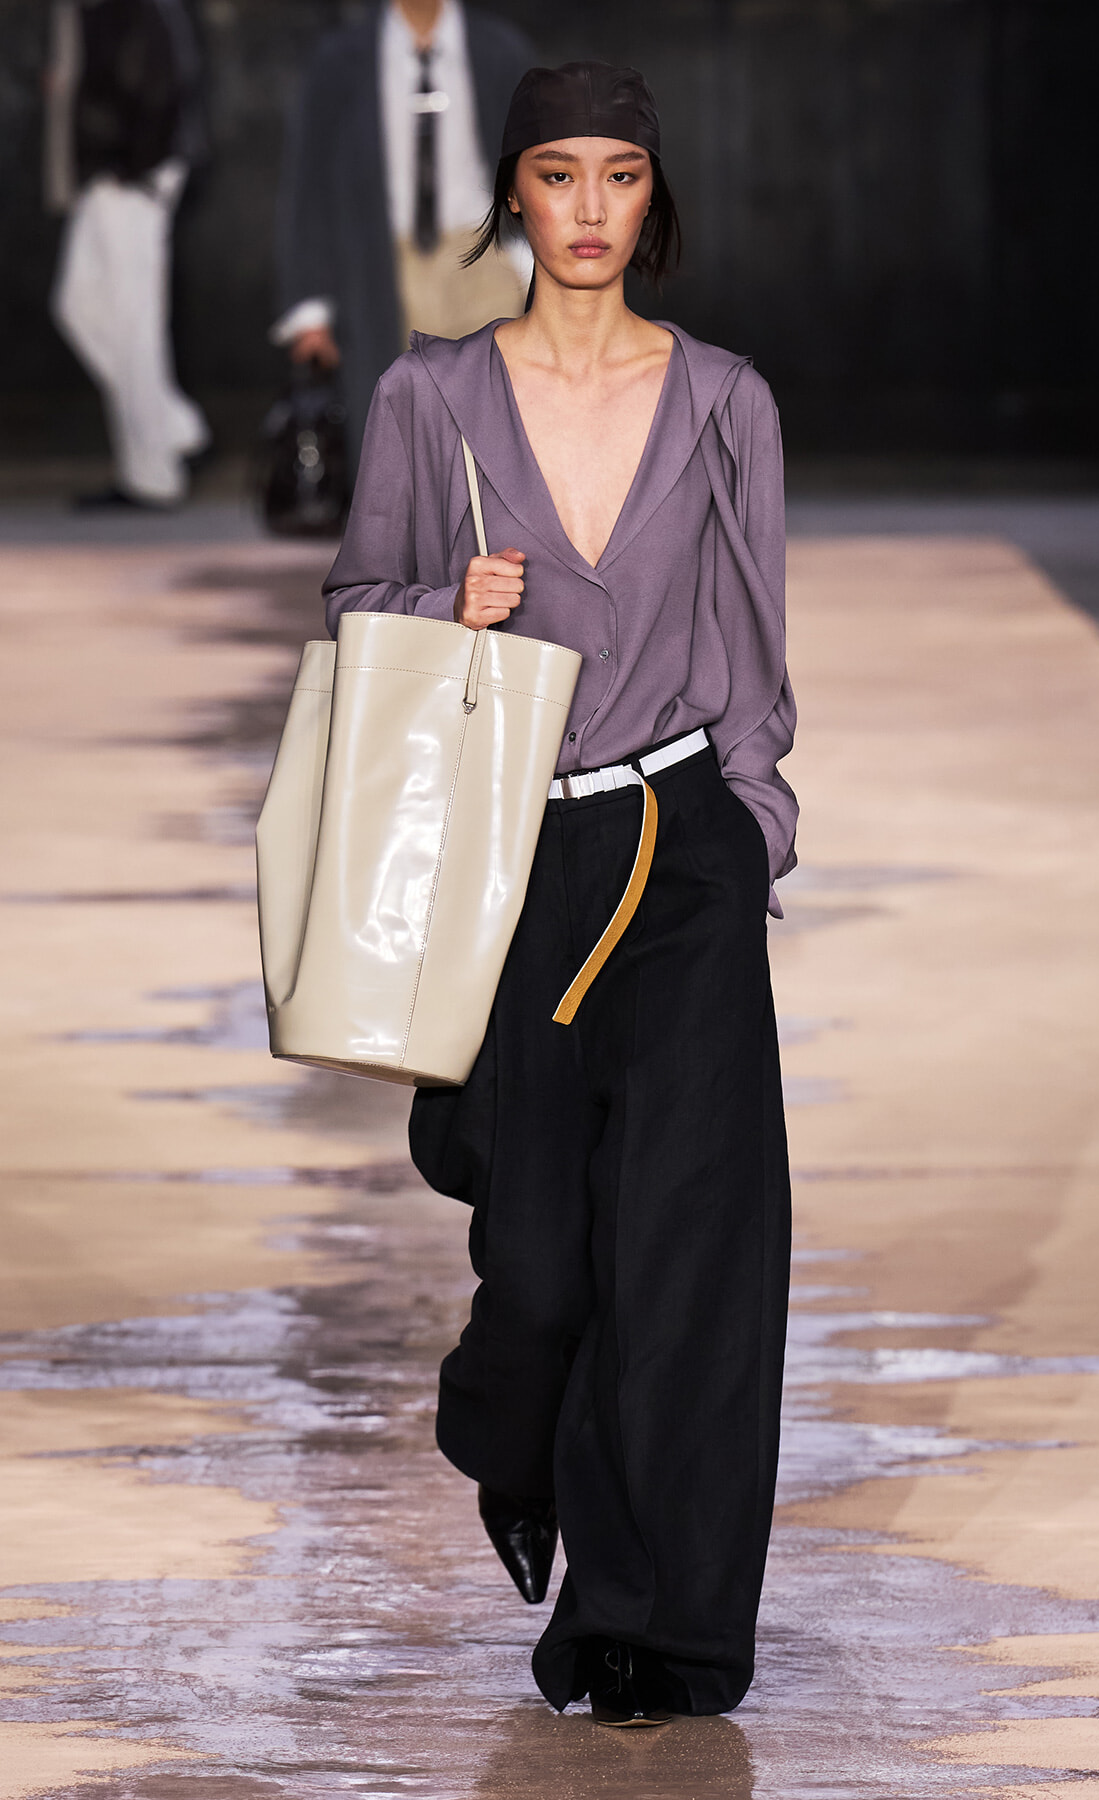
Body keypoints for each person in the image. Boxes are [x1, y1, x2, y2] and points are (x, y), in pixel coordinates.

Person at [323, 62, 798, 1726]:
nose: (588, 209)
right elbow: (355, 607)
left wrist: (753, 834)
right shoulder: (429, 399)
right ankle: (508, 1432)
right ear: (511, 200)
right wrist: (448, 599)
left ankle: (651, 1627)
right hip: (507, 858)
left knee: (686, 1260)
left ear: (652, 201)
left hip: (678, 849)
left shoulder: (728, 398)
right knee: (538, 1262)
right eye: (554, 175)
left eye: (618, 177)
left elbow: (753, 640)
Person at [274, 0, 535, 472]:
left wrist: (533, 259)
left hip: (483, 257)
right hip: (382, 262)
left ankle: (493, 537)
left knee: (498, 419)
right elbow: (307, 182)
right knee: (401, 428)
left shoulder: (498, 50)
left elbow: (537, 159)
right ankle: (412, 541)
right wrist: (310, 302)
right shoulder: (341, 59)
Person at [46, 0, 210, 509]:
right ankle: (173, 426)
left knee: (134, 323)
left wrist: (135, 163)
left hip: (131, 171)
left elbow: (166, 74)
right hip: (109, 170)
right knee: (79, 307)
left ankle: (152, 475)